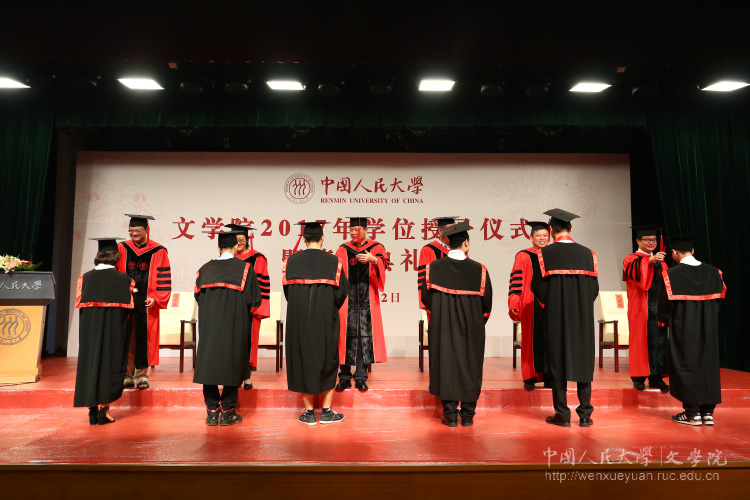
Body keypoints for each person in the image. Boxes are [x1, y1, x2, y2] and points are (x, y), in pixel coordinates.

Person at [420, 221, 492, 427]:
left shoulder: (433, 268)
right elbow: (487, 304)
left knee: (446, 365)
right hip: (472, 329)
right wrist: (476, 323)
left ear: (447, 243)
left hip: (442, 328)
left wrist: (442, 315)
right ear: (466, 243)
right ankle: (468, 416)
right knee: (470, 366)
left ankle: (450, 415)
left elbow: (426, 298)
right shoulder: (480, 270)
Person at [531, 208, 598, 428]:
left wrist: (552, 305)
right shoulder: (588, 254)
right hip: (582, 317)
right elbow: (594, 290)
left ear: (551, 229)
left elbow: (538, 288)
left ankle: (563, 414)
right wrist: (580, 306)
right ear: (571, 228)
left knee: (557, 361)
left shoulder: (544, 254)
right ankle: (585, 414)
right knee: (583, 360)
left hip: (556, 316)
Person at [283, 221, 350, 425]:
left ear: (304, 239)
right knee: (328, 359)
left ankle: (309, 413)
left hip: (299, 319)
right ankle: (327, 411)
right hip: (325, 319)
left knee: (303, 359)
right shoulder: (334, 262)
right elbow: (342, 292)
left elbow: (288, 293)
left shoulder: (291, 262)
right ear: (322, 238)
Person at [193, 231, 261, 426]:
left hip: (209, 325)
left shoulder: (204, 269)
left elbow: (198, 297)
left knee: (209, 363)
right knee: (234, 362)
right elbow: (254, 300)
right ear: (237, 246)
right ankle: (228, 412)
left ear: (218, 247)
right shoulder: (245, 269)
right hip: (235, 324)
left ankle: (212, 411)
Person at [658, 235, 726, 426]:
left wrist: (662, 322)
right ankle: (708, 413)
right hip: (709, 328)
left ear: (674, 253)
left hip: (684, 328)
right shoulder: (715, 272)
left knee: (686, 364)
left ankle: (692, 412)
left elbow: (663, 308)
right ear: (693, 251)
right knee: (708, 365)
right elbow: (720, 301)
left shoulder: (671, 275)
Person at [74, 238, 134, 425]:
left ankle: (92, 410)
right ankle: (104, 410)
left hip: (90, 332)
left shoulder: (84, 279)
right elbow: (130, 311)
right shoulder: (124, 280)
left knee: (90, 362)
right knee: (110, 362)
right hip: (113, 332)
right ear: (116, 257)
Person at [115, 214, 171, 390]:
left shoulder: (158, 251)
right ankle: (126, 376)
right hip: (126, 302)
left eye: (137, 231)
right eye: (131, 231)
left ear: (147, 230)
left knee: (143, 340)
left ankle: (141, 376)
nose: (134, 234)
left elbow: (164, 278)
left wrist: (156, 297)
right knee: (126, 339)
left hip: (146, 305)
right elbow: (115, 274)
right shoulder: (121, 248)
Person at [335, 217, 390, 391]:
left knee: (363, 337)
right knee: (344, 336)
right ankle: (344, 376)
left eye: (357, 230)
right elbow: (336, 274)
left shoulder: (376, 248)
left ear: (366, 230)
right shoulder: (343, 249)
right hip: (346, 301)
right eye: (351, 229)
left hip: (368, 299)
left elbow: (384, 264)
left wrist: (374, 260)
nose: (353, 232)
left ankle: (360, 376)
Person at [623, 226, 670, 391]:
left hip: (658, 310)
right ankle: (638, 378)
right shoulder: (630, 259)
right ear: (638, 241)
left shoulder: (661, 263)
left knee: (659, 341)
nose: (651, 242)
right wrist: (651, 260)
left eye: (654, 240)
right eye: (647, 240)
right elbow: (635, 273)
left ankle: (656, 377)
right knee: (639, 342)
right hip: (640, 309)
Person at [225, 223, 270, 390]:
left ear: (247, 239)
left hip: (250, 307)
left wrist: (257, 307)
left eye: (242, 239)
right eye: (236, 240)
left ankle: (248, 376)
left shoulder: (257, 258)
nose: (239, 243)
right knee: (232, 342)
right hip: (231, 307)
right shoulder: (226, 258)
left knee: (248, 343)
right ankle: (234, 375)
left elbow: (262, 284)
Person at [508, 220, 549, 390]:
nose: (542, 238)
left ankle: (549, 376)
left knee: (550, 340)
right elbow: (516, 281)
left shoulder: (553, 254)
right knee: (530, 340)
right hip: (530, 304)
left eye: (545, 235)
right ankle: (530, 376)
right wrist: (514, 301)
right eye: (538, 235)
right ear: (531, 237)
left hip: (550, 304)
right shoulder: (523, 255)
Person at [417, 217, 455, 319]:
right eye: (451, 229)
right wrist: (426, 304)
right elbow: (423, 278)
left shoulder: (459, 249)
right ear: (440, 231)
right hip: (436, 303)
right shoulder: (429, 250)